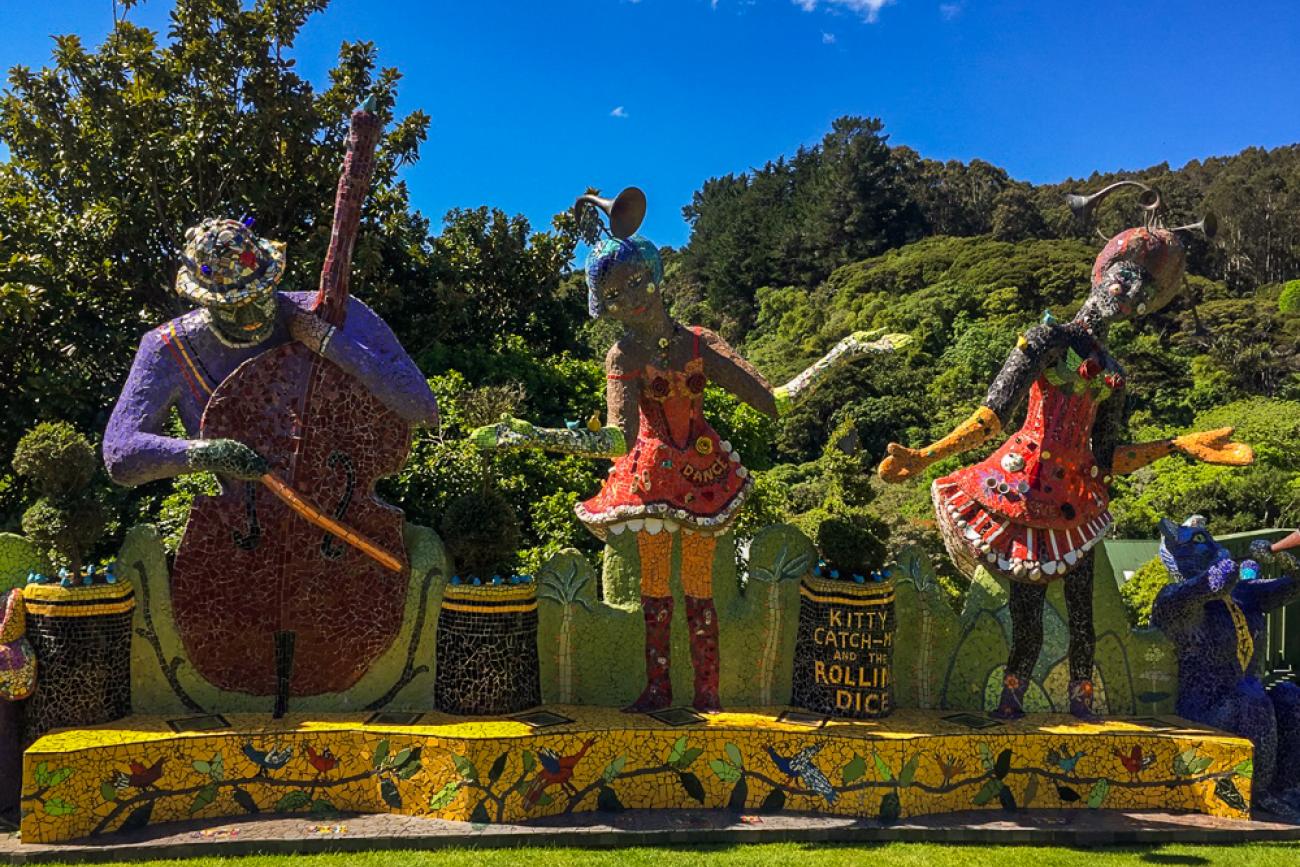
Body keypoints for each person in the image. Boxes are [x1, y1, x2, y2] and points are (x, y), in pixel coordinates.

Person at [475, 188, 908, 713]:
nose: (631, 298)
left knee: (698, 588)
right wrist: (533, 434)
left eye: (636, 282)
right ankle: (660, 690)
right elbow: (616, 438)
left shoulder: (701, 343)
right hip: (651, 479)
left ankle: (706, 693)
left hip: (702, 475)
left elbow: (775, 402)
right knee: (656, 590)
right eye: (614, 295)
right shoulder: (624, 353)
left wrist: (847, 349)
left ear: (656, 277)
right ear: (602, 307)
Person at [878, 186, 1253, 720]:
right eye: (1126, 276)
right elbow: (992, 416)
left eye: (1143, 287)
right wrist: (925, 455)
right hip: (1024, 487)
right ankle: (1013, 699)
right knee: (1027, 605)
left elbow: (1110, 457)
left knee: (1082, 611)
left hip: (1078, 495)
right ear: (1103, 273)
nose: (1130, 291)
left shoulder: (1115, 375)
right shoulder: (1044, 340)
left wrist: (1178, 446)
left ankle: (1081, 704)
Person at [104, 217, 437, 487]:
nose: (251, 317)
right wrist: (205, 454)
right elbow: (120, 454)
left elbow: (422, 408)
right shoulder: (168, 347)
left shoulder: (330, 310)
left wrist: (331, 343)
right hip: (244, 524)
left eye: (259, 298)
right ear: (204, 301)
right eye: (232, 308)